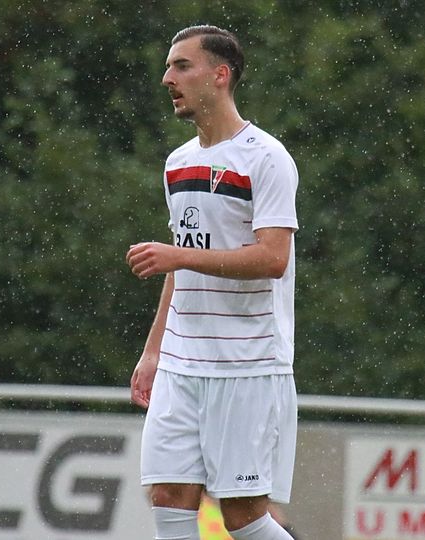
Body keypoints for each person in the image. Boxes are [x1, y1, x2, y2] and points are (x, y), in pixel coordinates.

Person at [126, 24, 299, 540]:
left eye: (182, 66)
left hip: (246, 363)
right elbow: (185, 263)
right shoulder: (178, 162)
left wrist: (176, 255)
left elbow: (272, 258)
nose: (168, 79)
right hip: (181, 361)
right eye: (168, 67)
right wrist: (154, 350)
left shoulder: (266, 157)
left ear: (220, 75)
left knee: (242, 517)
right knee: (168, 496)